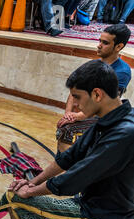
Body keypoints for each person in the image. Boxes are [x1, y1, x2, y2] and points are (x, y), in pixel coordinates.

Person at [0, 60, 134, 219]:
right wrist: (33, 182)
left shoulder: (124, 132)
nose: (75, 104)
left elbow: (73, 180)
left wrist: (28, 192)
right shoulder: (111, 117)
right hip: (109, 212)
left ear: (97, 94)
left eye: (77, 97)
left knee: (13, 199)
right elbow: (70, 157)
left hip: (103, 218)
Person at [56, 24, 131, 152]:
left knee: (67, 130)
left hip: (102, 116)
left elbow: (105, 103)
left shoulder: (122, 71)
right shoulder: (94, 64)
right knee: (65, 126)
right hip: (86, 111)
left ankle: (71, 168)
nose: (99, 45)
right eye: (100, 41)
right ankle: (65, 163)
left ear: (119, 46)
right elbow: (74, 90)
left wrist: (78, 116)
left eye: (105, 43)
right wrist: (68, 114)